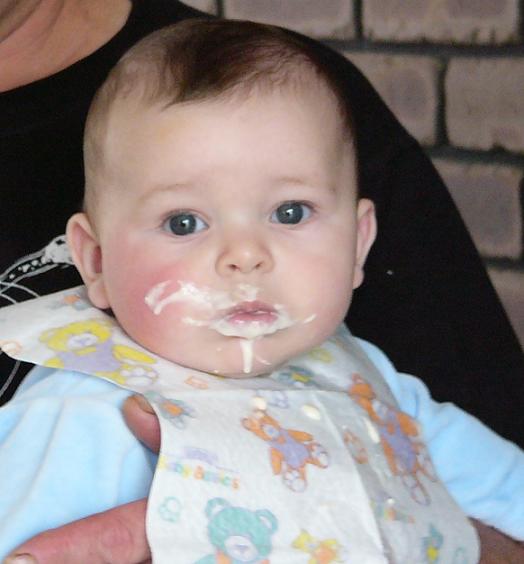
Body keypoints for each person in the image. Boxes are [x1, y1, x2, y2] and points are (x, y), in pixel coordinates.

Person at [1, 0, 523, 561]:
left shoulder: (375, 389)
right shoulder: (76, 417)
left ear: (359, 242)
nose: (246, 256)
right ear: (96, 262)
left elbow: (510, 502)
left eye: (290, 213)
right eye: (184, 223)